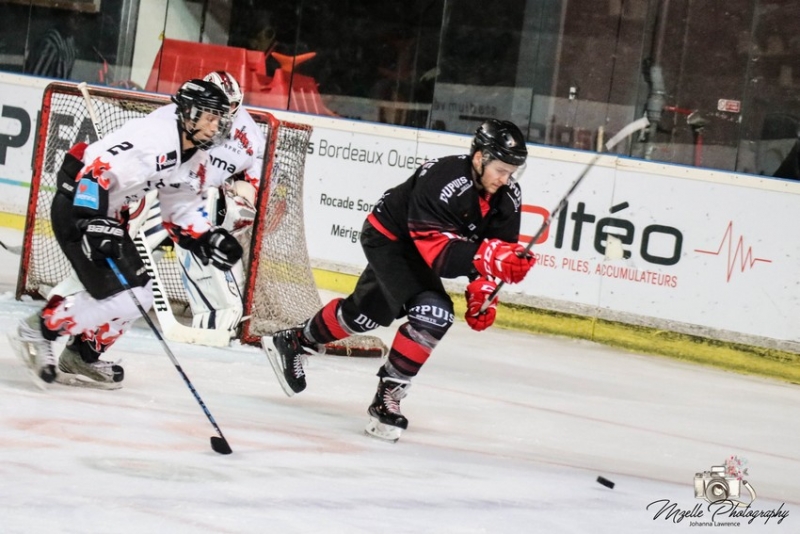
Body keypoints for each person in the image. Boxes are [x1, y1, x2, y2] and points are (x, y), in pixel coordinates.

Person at [263, 119, 536, 441]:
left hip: (419, 250)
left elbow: (495, 248)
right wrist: (487, 258)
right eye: (501, 170)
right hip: (390, 240)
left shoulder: (507, 195)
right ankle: (387, 398)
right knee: (433, 314)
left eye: (512, 171)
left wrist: (482, 290)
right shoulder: (444, 180)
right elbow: (439, 255)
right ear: (480, 158)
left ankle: (296, 341)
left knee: (363, 317)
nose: (506, 179)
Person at [8, 79, 242, 389]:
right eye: (210, 118)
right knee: (123, 295)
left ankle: (82, 354)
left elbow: (181, 207)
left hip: (107, 215)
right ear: (189, 113)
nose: (216, 127)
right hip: (78, 206)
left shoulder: (194, 156)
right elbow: (93, 172)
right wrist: (91, 221)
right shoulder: (154, 141)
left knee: (141, 294)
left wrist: (206, 236)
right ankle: (42, 327)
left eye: (220, 120)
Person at [140, 71, 266, 336]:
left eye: (232, 106)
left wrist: (241, 202)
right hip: (167, 195)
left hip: (200, 204)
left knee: (212, 249)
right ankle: (99, 290)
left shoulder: (250, 136)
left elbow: (251, 183)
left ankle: (219, 317)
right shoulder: (173, 118)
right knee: (133, 256)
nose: (225, 113)